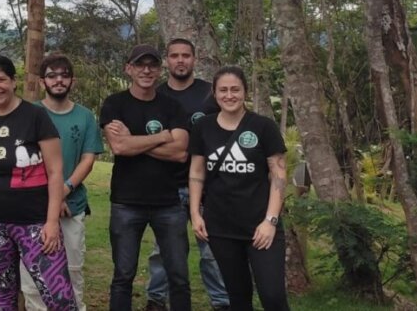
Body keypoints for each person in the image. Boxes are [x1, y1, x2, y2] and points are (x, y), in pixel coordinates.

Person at [0, 55, 77, 311]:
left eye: (1, 79)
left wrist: (51, 222)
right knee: (3, 296)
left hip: (35, 221)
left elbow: (55, 171)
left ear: (13, 81)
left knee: (59, 297)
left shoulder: (35, 116)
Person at [100, 44, 191, 311]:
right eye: (140, 64)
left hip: (168, 203)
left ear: (160, 70)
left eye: (152, 65)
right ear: (129, 68)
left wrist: (134, 141)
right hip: (126, 203)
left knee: (179, 276)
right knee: (123, 276)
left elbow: (180, 153)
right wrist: (162, 136)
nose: (146, 70)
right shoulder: (115, 103)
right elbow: (119, 147)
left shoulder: (172, 106)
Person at [190, 67, 289, 311]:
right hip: (221, 226)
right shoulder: (203, 127)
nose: (229, 95)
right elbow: (197, 171)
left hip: (260, 226)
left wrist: (271, 221)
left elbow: (278, 174)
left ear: (245, 91)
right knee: (238, 297)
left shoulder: (263, 126)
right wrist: (195, 213)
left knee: (273, 296)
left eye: (235, 89)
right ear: (214, 93)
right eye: (223, 90)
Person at [145, 39, 230, 311]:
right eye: (174, 56)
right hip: (165, 186)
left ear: (194, 59)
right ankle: (156, 300)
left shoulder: (210, 95)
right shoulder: (154, 96)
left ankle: (222, 302)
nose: (180, 60)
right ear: (167, 61)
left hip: (207, 187)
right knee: (163, 251)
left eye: (186, 55)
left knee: (211, 251)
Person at [20, 54, 103, 311]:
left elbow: (88, 159)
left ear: (72, 81)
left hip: (72, 206)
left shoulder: (85, 116)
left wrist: (64, 191)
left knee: (72, 271)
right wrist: (52, 199)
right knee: (33, 275)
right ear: (43, 81)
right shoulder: (29, 113)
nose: (58, 80)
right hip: (34, 207)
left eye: (64, 75)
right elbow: (25, 159)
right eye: (52, 75)